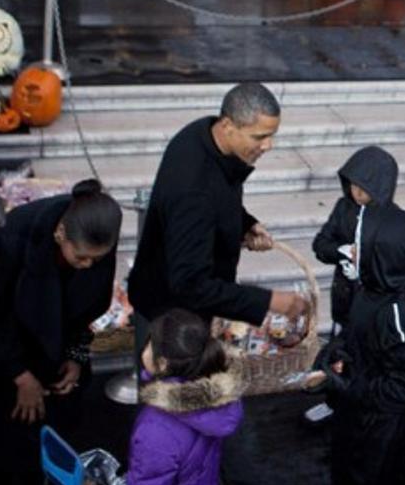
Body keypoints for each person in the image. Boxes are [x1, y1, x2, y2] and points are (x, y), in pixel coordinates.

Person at [0, 178, 122, 485]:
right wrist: (20, 374)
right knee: (5, 446)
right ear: (60, 234)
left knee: (56, 433)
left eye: (96, 260)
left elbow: (85, 312)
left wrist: (75, 355)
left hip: (53, 353)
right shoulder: (16, 235)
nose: (88, 266)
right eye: (82, 257)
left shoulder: (96, 243)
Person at [128, 82, 309, 346]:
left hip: (183, 305)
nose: (268, 145)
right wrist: (270, 301)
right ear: (227, 126)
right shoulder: (193, 190)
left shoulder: (204, 134)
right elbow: (191, 285)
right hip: (172, 320)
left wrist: (245, 224)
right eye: (259, 137)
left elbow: (218, 198)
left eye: (272, 135)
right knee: (176, 386)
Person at [316, 204, 405, 485]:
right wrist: (334, 357)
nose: (353, 251)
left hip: (379, 430)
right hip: (358, 417)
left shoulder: (396, 314)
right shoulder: (370, 292)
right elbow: (354, 337)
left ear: (382, 257)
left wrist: (354, 386)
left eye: (360, 245)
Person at [305, 145, 400, 424]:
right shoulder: (343, 208)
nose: (356, 193)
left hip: (374, 306)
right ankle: (335, 401)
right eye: (353, 186)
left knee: (370, 360)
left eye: (364, 188)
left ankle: (365, 406)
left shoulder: (395, 220)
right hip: (346, 300)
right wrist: (343, 251)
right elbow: (321, 245)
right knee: (340, 356)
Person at [127, 308, 244, 485]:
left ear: (162, 363)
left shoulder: (154, 428)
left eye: (151, 343)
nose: (146, 347)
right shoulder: (220, 397)